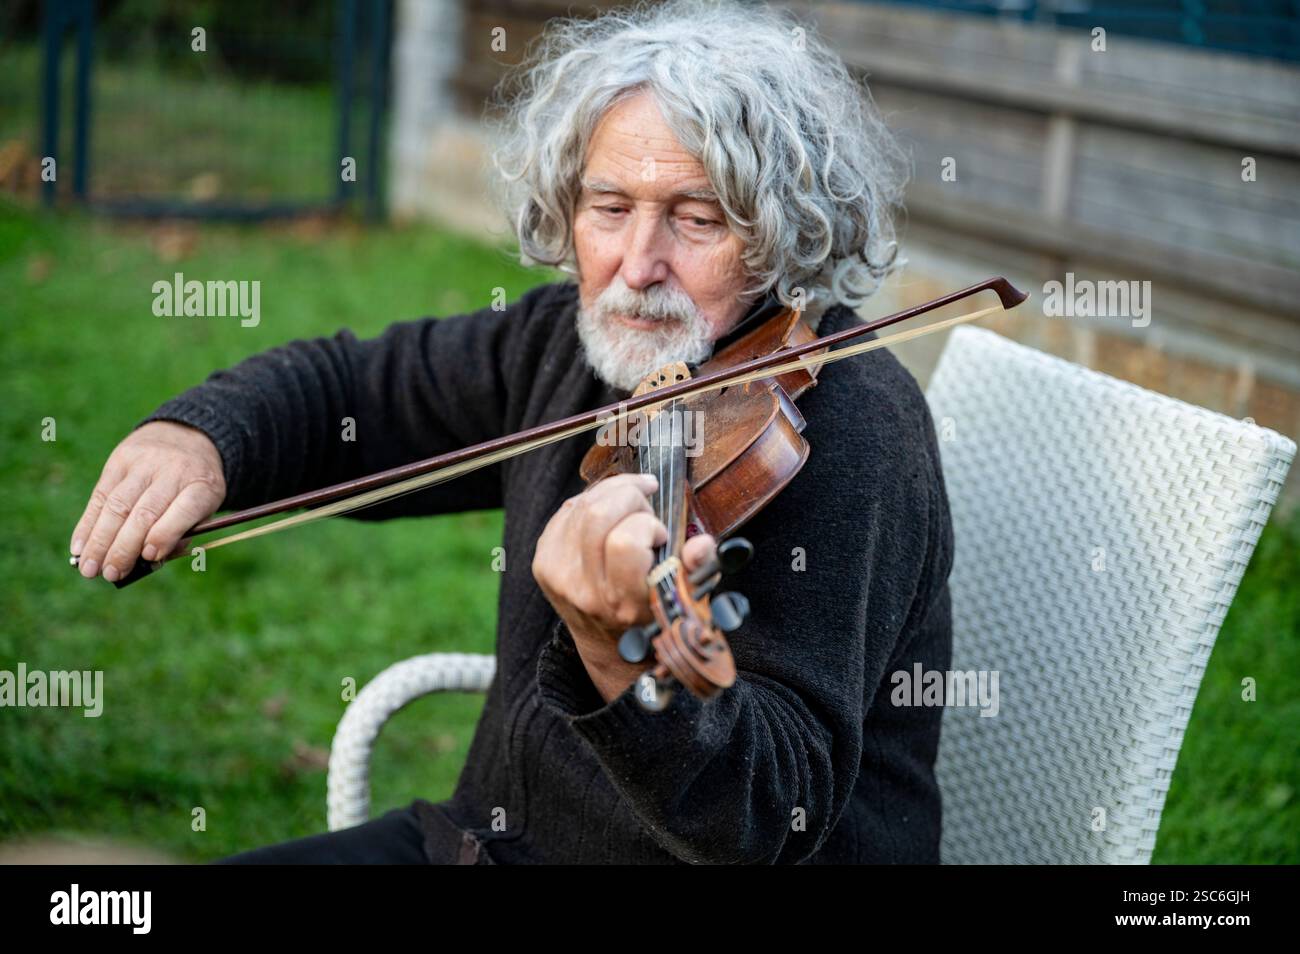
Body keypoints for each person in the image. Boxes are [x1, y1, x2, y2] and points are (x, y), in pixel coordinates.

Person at [69, 0, 952, 864]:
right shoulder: (573, 344)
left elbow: (768, 816)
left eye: (697, 219)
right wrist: (202, 437)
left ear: (785, 232)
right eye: (609, 208)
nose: (638, 268)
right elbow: (355, 393)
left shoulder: (851, 424)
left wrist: (617, 663)